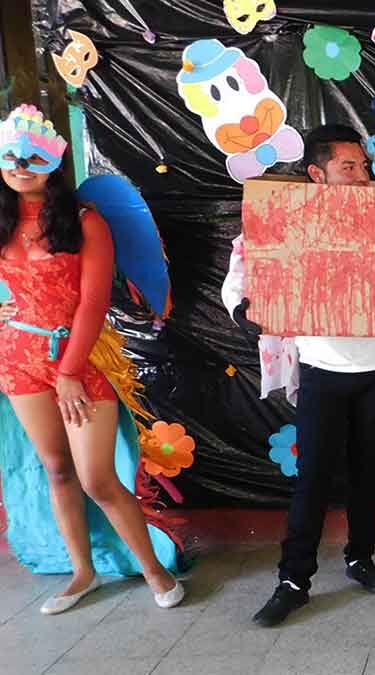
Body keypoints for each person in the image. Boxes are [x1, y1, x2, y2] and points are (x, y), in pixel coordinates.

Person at [222, 124, 375, 627]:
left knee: (369, 471)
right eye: (348, 167)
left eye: (364, 166)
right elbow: (243, 274)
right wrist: (244, 310)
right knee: (313, 477)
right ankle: (293, 580)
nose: (360, 176)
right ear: (317, 173)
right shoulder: (284, 222)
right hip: (323, 369)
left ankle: (361, 558)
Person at [0, 104, 183, 614]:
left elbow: (93, 302)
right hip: (17, 359)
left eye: (32, 156)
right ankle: (83, 572)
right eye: (9, 155)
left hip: (77, 361)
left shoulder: (85, 222)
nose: (19, 164)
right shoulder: (3, 218)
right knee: (56, 469)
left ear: (53, 162)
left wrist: (70, 372)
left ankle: (154, 569)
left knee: (97, 478)